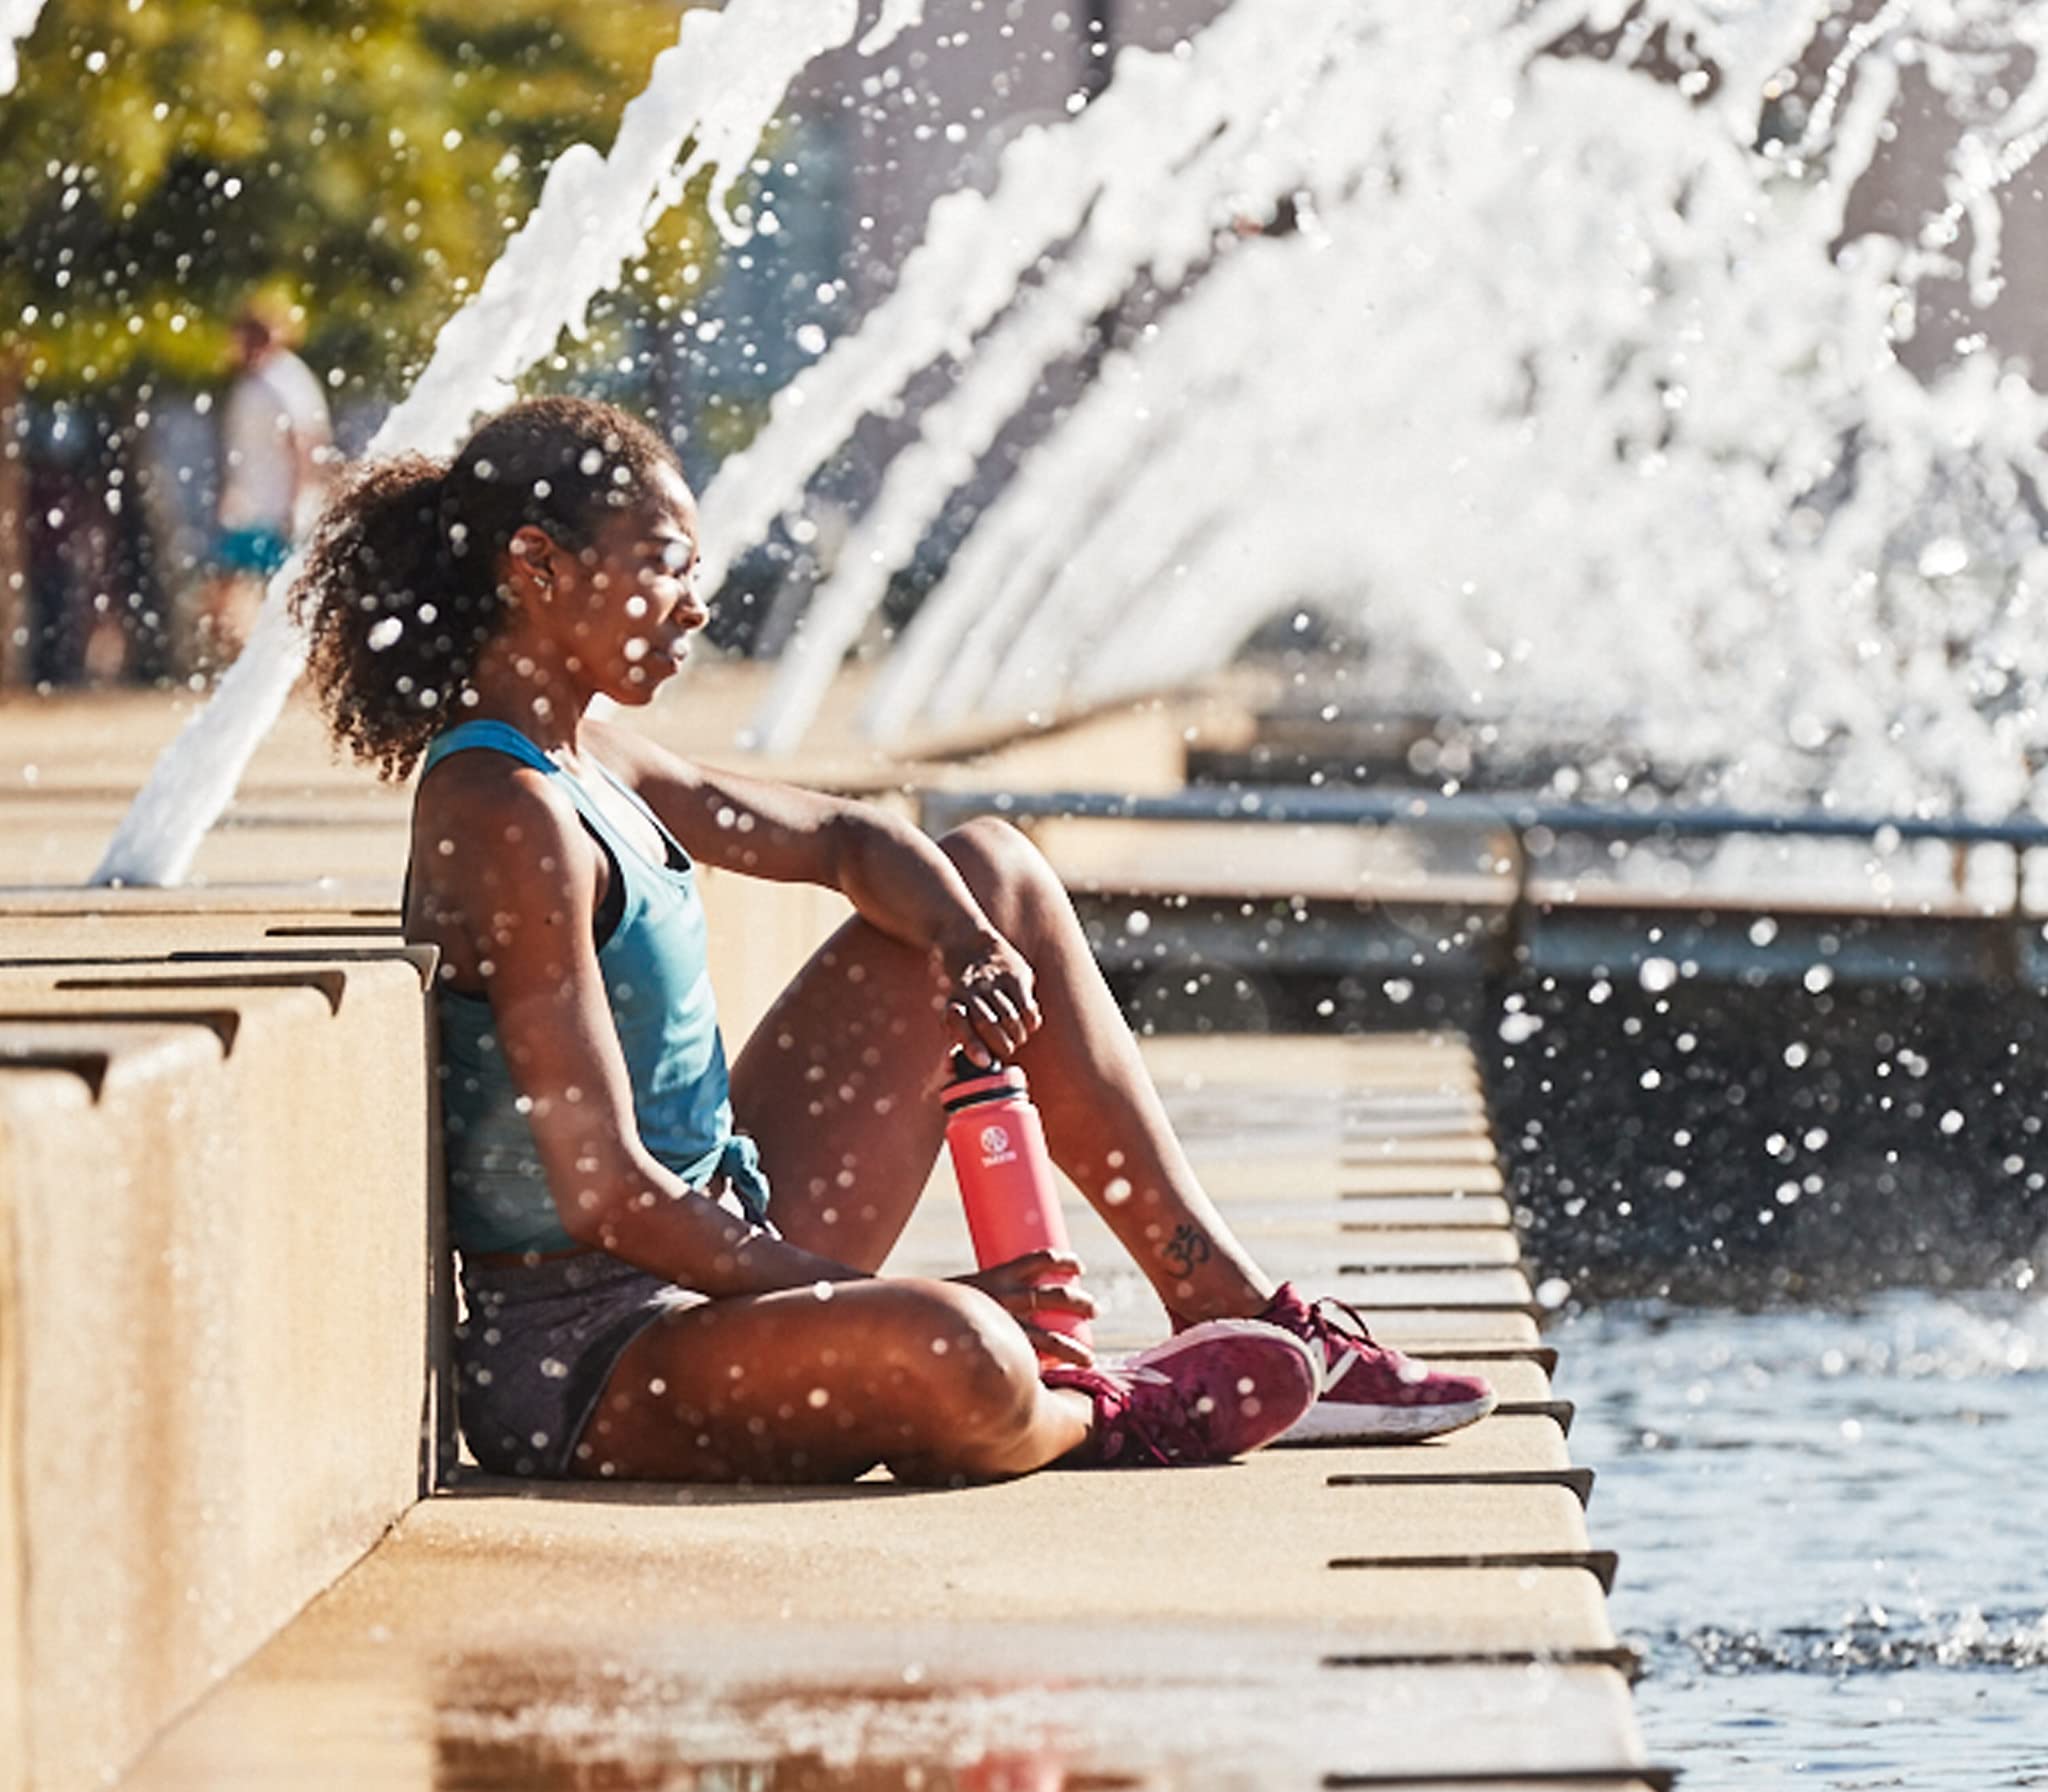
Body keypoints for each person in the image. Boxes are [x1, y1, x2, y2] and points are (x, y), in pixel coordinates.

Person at [290, 395, 1495, 1485]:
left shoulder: (592, 754)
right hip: (593, 1357)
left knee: (994, 866)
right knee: (960, 1346)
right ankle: (1097, 1411)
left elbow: (844, 841)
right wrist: (873, 1292)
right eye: (662, 569)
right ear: (537, 568)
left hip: (722, 1239)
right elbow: (606, 1195)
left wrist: (969, 942)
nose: (697, 607)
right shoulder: (504, 811)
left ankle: (1231, 1307)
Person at [208, 295, 334, 655]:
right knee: (232, 585)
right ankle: (237, 659)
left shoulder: (285, 380)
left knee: (281, 592)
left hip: (277, 505)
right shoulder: (252, 382)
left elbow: (306, 443)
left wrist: (298, 501)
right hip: (250, 503)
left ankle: (287, 664)